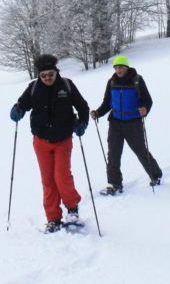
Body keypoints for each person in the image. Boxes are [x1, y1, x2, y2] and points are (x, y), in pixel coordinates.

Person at [10, 54, 90, 233]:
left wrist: (82, 123)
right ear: (39, 75)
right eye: (44, 75)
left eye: (50, 74)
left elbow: (82, 107)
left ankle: (72, 209)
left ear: (56, 73)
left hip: (63, 139)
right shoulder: (33, 88)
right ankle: (53, 218)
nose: (47, 78)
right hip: (41, 141)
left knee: (61, 176)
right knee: (47, 180)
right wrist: (17, 110)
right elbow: (22, 104)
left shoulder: (67, 85)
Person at [90, 55, 162, 194]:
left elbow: (148, 100)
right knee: (113, 155)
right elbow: (107, 103)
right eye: (116, 67)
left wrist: (145, 109)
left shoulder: (137, 80)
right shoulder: (111, 82)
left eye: (121, 67)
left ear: (127, 67)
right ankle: (115, 184)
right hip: (115, 124)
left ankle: (156, 176)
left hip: (133, 123)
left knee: (141, 151)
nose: (118, 69)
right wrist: (98, 113)